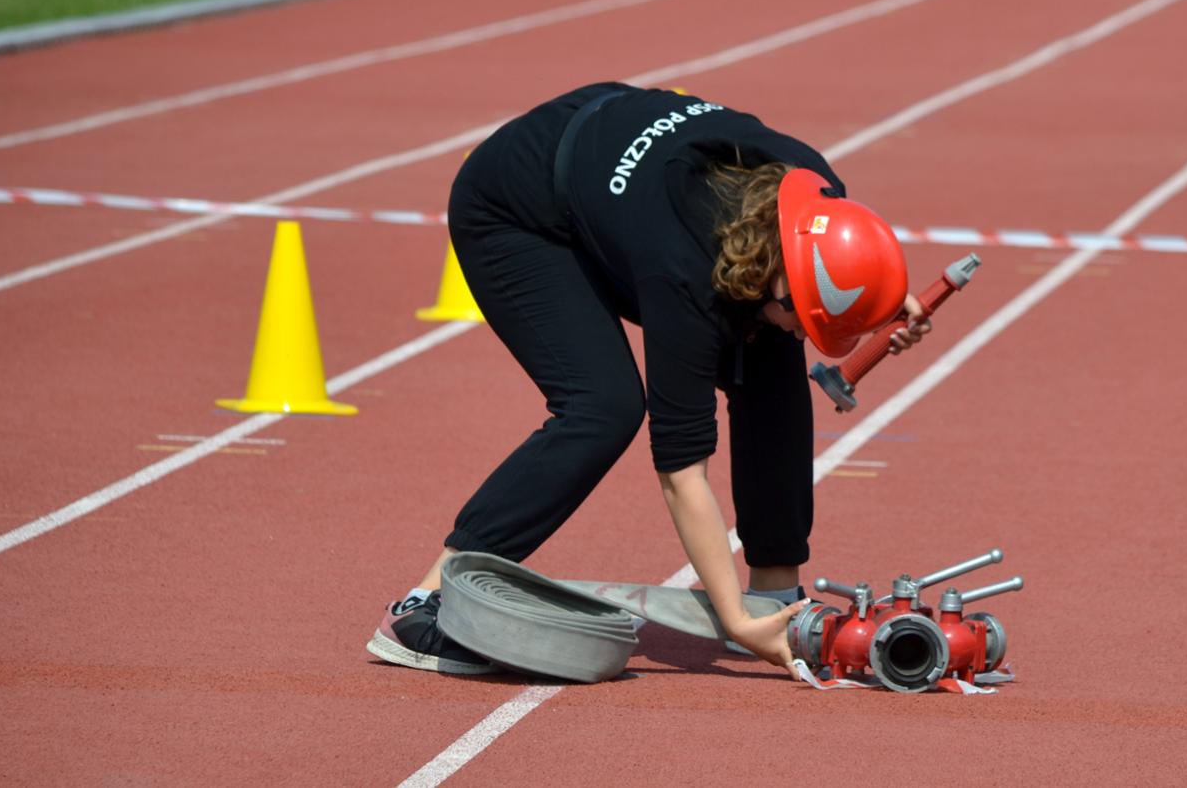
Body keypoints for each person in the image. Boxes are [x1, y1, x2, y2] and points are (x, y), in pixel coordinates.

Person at [366, 82, 930, 675]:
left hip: (619, 178)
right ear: (785, 280)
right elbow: (681, 474)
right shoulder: (683, 275)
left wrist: (878, 301)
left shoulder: (817, 196)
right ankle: (425, 602)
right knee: (602, 407)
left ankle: (776, 599)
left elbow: (835, 269)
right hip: (519, 208)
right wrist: (731, 618)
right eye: (807, 319)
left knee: (773, 370)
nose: (807, 334)